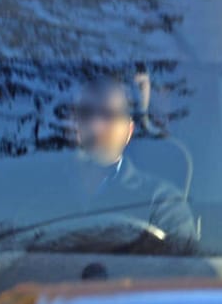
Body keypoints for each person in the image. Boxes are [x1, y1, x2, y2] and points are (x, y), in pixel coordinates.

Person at [71, 75, 197, 248]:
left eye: (108, 114)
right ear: (72, 123)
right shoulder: (39, 191)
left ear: (129, 132)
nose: (95, 125)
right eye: (85, 114)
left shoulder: (162, 202)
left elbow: (185, 269)